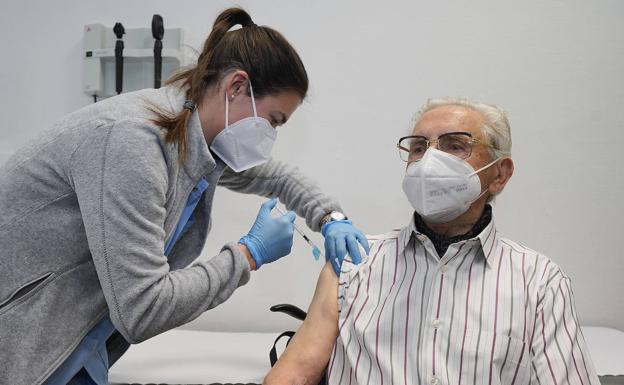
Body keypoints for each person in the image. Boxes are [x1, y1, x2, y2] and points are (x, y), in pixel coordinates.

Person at [0, 8, 369, 385]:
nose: (270, 135)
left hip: (74, 342)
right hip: (22, 346)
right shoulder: (133, 142)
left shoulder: (199, 143)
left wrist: (331, 218)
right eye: (273, 120)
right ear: (237, 86)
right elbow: (143, 308)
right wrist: (248, 255)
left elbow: (278, 177)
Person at [264, 98, 600, 385]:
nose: (429, 161)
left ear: (500, 174)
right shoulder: (353, 263)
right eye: (419, 147)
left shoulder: (539, 282)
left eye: (455, 146)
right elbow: (296, 374)